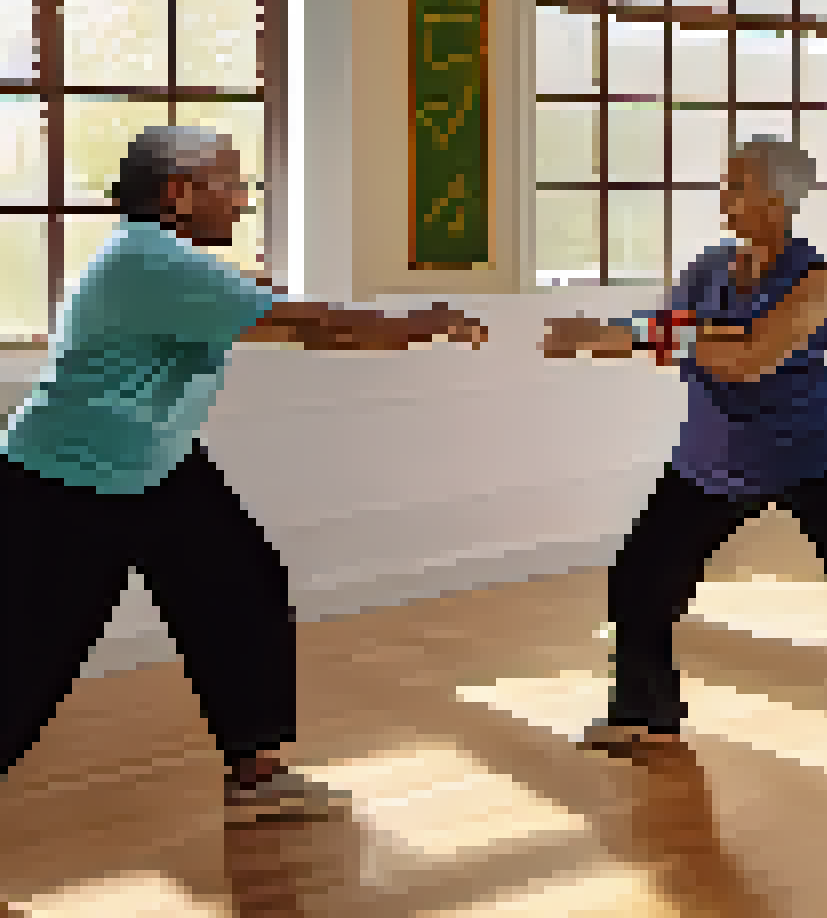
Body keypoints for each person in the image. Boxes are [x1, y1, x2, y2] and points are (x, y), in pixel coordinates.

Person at [0, 126, 488, 823]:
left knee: (241, 586)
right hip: (67, 479)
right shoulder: (152, 260)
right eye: (230, 184)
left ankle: (257, 774)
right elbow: (315, 326)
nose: (242, 201)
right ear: (177, 193)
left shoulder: (168, 259)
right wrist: (425, 321)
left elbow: (279, 322)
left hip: (158, 464)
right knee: (26, 658)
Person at [540, 137, 827, 780]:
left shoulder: (821, 280)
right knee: (639, 577)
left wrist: (660, 336)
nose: (724, 197)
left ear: (778, 201)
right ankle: (646, 713)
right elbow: (667, 330)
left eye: (738, 186)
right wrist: (613, 336)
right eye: (725, 184)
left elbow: (751, 358)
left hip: (808, 454)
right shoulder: (708, 268)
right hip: (712, 456)